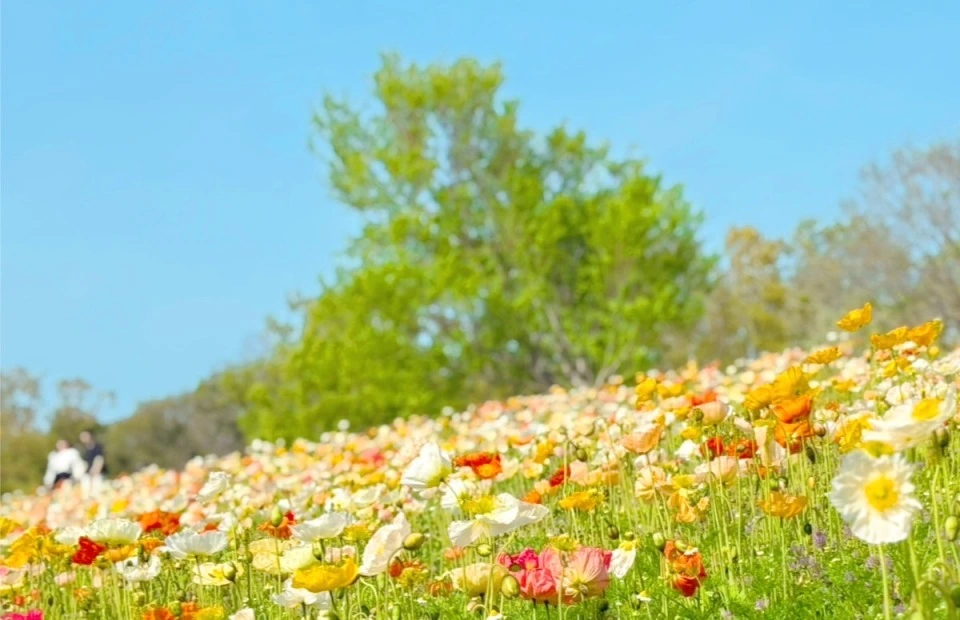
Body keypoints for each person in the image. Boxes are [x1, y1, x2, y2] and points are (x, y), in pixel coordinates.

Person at [79, 430, 107, 497]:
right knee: (86, 491)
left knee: (97, 490)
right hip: (88, 474)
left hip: (97, 473)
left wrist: (96, 469)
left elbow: (99, 459)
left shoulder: (97, 447)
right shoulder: (84, 449)